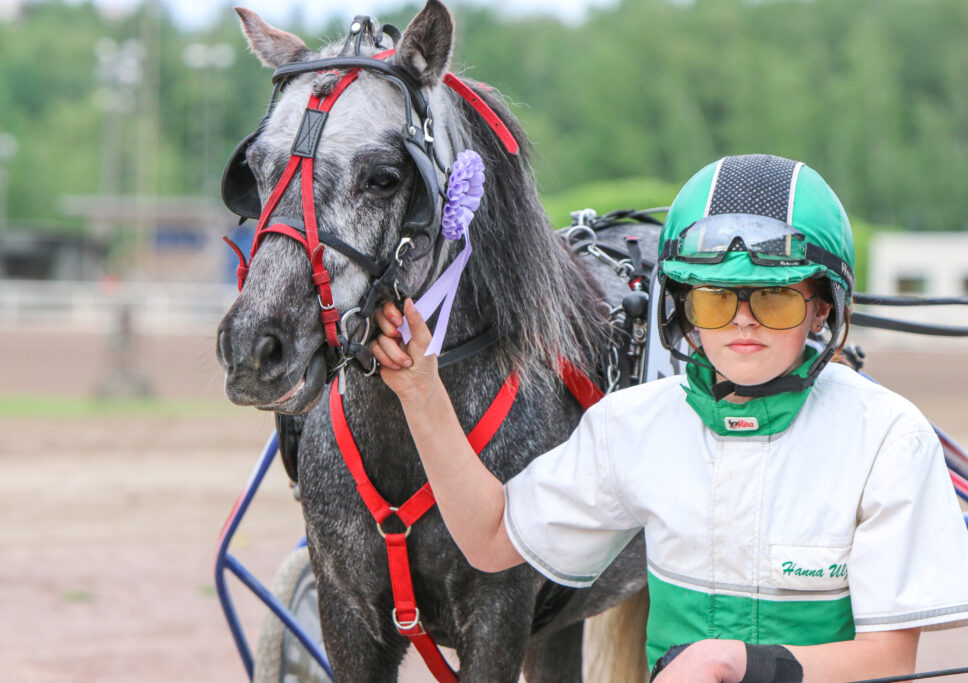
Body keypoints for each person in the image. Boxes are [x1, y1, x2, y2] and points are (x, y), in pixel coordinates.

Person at [368, 153, 968, 682]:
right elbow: (492, 539)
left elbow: (890, 659)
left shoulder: (888, 436)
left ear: (822, 309)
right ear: (682, 309)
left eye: (775, 297)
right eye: (714, 298)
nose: (742, 320)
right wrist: (422, 391)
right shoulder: (632, 425)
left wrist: (736, 662)